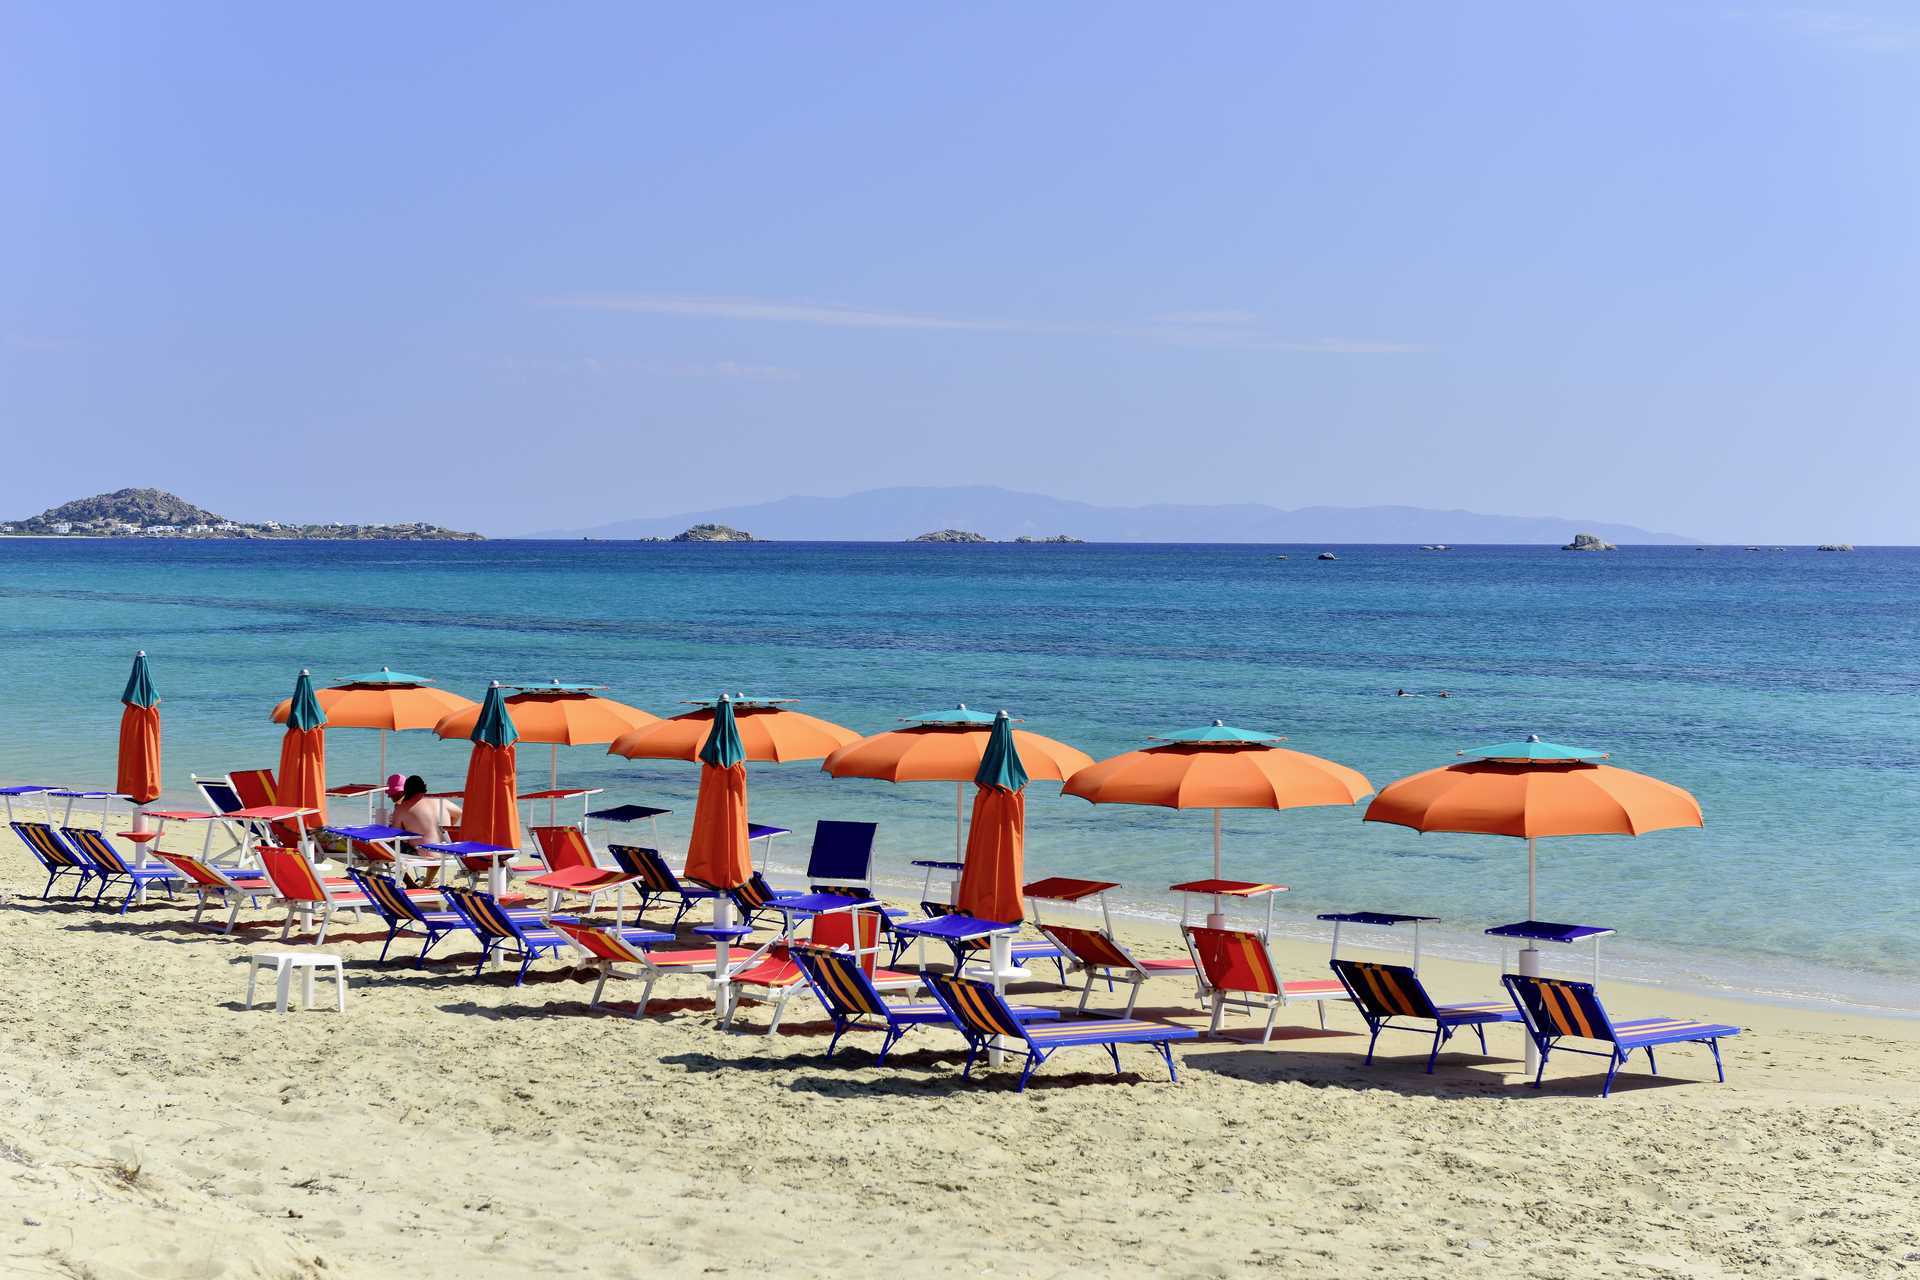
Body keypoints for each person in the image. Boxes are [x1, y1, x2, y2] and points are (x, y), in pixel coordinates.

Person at [391, 775, 461, 844]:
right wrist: (450, 826)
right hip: (447, 850)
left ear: (406, 791)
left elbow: (394, 834)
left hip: (423, 853)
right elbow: (460, 813)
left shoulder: (402, 808)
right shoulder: (442, 801)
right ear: (424, 786)